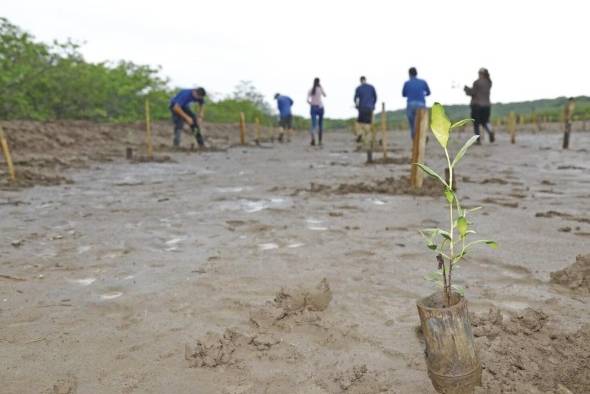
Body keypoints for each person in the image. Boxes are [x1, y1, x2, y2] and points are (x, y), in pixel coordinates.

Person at [464, 68, 494, 144]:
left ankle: (478, 140)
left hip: (477, 106)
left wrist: (466, 89)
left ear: (481, 74)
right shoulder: (489, 83)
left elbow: (473, 93)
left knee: (476, 124)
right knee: (484, 122)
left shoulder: (477, 82)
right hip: (487, 106)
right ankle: (489, 132)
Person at [402, 67, 431, 140]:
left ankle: (414, 141)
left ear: (409, 74)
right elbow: (429, 92)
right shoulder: (423, 82)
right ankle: (423, 136)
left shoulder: (407, 83)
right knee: (422, 123)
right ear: (416, 73)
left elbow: (403, 94)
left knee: (412, 125)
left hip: (411, 104)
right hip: (421, 104)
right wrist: (423, 94)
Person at [353, 76, 377, 146]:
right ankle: (368, 137)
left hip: (362, 108)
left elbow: (355, 99)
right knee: (369, 123)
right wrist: (373, 104)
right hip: (370, 108)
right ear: (365, 80)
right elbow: (375, 97)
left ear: (360, 81)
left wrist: (357, 106)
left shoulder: (358, 88)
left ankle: (360, 134)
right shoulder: (371, 87)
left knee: (359, 123)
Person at [307, 77, 326, 146]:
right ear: (319, 82)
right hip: (320, 107)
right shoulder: (320, 88)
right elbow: (325, 95)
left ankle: (313, 139)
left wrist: (311, 103)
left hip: (313, 107)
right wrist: (321, 87)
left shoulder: (311, 89)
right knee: (320, 125)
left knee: (314, 124)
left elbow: (307, 100)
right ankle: (320, 141)